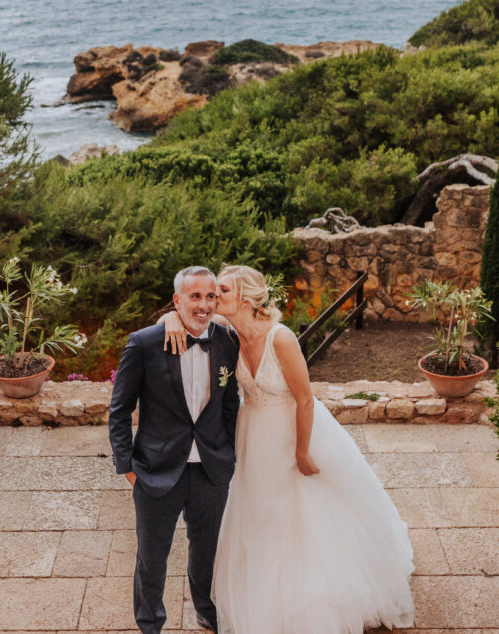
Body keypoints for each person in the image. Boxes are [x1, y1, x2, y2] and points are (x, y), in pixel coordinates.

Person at [163, 264, 415, 634]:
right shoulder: (226, 332)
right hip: (253, 432)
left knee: (304, 507)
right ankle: (265, 589)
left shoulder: (280, 338)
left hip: (293, 427)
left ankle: (312, 593)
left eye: (222, 291)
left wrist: (302, 451)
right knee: (259, 510)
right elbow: (182, 314)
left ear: (246, 298)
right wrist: (172, 317)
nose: (214, 298)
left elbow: (305, 399)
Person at [108, 266, 240, 634]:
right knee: (152, 557)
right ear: (177, 301)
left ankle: (206, 611)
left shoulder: (227, 341)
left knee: (206, 550)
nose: (204, 305)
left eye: (210, 296)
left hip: (211, 469)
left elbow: (230, 405)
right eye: (195, 296)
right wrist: (127, 467)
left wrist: (228, 456)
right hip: (156, 469)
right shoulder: (144, 343)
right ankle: (150, 624)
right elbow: (120, 410)